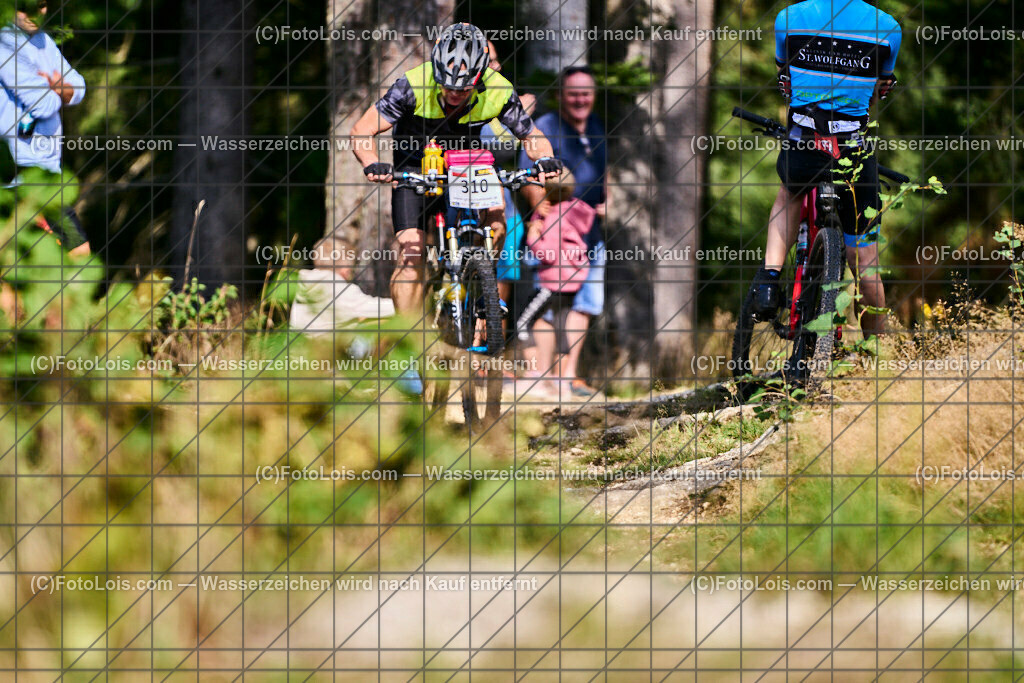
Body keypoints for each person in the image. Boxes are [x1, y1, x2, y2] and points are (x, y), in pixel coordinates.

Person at [348, 23, 561, 329]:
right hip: (414, 166)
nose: (454, 93)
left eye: (464, 88)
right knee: (411, 253)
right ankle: (405, 333)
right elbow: (362, 130)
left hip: (466, 163)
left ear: (479, 76)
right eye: (448, 86)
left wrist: (546, 159)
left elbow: (531, 135)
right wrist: (371, 162)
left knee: (497, 217)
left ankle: (483, 285)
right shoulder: (412, 83)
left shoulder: (497, 88)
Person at [749, 0, 901, 339]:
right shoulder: (888, 28)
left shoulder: (788, 18)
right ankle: (874, 353)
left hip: (804, 145)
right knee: (865, 262)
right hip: (853, 154)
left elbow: (786, 82)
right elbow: (880, 89)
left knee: (789, 194)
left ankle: (769, 281)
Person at [518, 65, 607, 399]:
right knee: (548, 302)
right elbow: (528, 174)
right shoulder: (547, 126)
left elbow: (604, 169)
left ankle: (567, 377)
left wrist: (606, 200)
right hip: (555, 232)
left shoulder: (597, 127)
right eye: (573, 93)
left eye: (586, 92)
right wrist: (539, 211)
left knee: (584, 303)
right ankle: (540, 376)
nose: (580, 99)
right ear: (560, 95)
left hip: (590, 234)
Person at [0, 0, 89, 256]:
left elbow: (79, 88)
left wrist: (56, 87)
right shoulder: (5, 43)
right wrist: (57, 88)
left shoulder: (43, 41)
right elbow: (42, 105)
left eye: (42, 4)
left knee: (76, 256)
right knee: (71, 255)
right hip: (21, 180)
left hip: (49, 174)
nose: (37, 13)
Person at [515, 169, 595, 400]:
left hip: (553, 283)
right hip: (573, 281)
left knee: (523, 323)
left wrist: (532, 236)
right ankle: (560, 382)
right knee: (561, 329)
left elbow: (548, 254)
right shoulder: (575, 210)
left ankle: (536, 375)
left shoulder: (550, 216)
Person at [289, 236, 395, 335]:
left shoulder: (303, 285)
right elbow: (382, 309)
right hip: (323, 353)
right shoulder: (338, 289)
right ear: (346, 267)